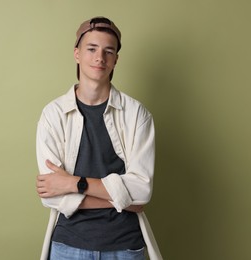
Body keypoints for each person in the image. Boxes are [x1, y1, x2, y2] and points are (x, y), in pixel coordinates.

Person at [36, 16, 163, 260]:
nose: (99, 58)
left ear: (116, 59)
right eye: (92, 49)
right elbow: (51, 196)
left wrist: (75, 183)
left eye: (108, 51)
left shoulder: (138, 115)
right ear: (77, 54)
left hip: (124, 247)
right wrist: (123, 199)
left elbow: (142, 190)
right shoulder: (52, 115)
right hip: (67, 246)